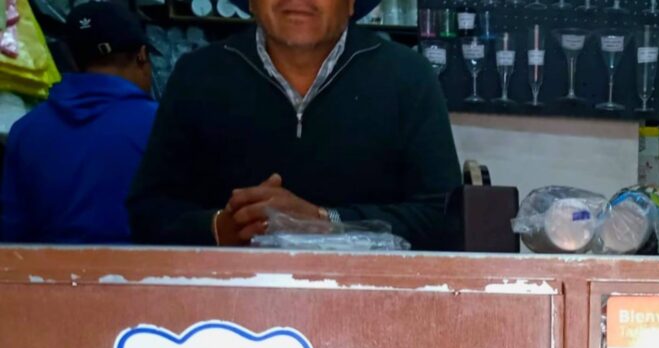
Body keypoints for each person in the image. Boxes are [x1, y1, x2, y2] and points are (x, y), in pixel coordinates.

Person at [128, 0, 461, 250]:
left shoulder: (408, 78)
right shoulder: (198, 75)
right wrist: (220, 227)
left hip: (370, 306)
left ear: (351, 4)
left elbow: (445, 217)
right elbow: (148, 212)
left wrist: (325, 223)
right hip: (229, 309)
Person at [1, 2, 156, 244]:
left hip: (49, 267)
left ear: (73, 61)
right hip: (144, 268)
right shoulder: (160, 125)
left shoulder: (25, 131)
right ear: (142, 55)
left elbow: (11, 234)